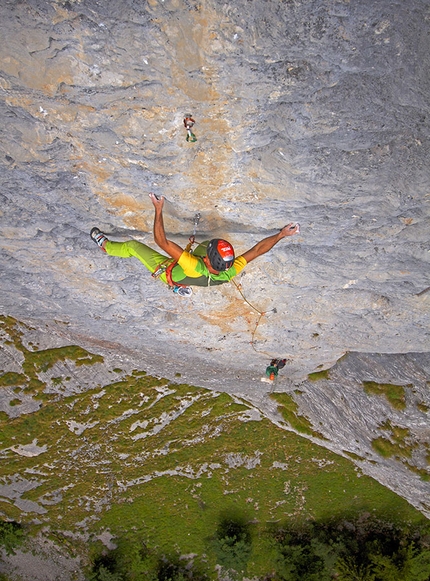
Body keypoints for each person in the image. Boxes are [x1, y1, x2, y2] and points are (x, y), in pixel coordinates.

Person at [90, 193, 299, 291]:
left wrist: (158, 209)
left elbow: (161, 242)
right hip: (191, 276)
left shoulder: (193, 265)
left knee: (133, 247)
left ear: (208, 262)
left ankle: (105, 246)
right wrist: (280, 235)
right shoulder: (230, 270)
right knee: (196, 259)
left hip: (167, 271)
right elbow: (258, 250)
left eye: (208, 254)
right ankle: (179, 287)